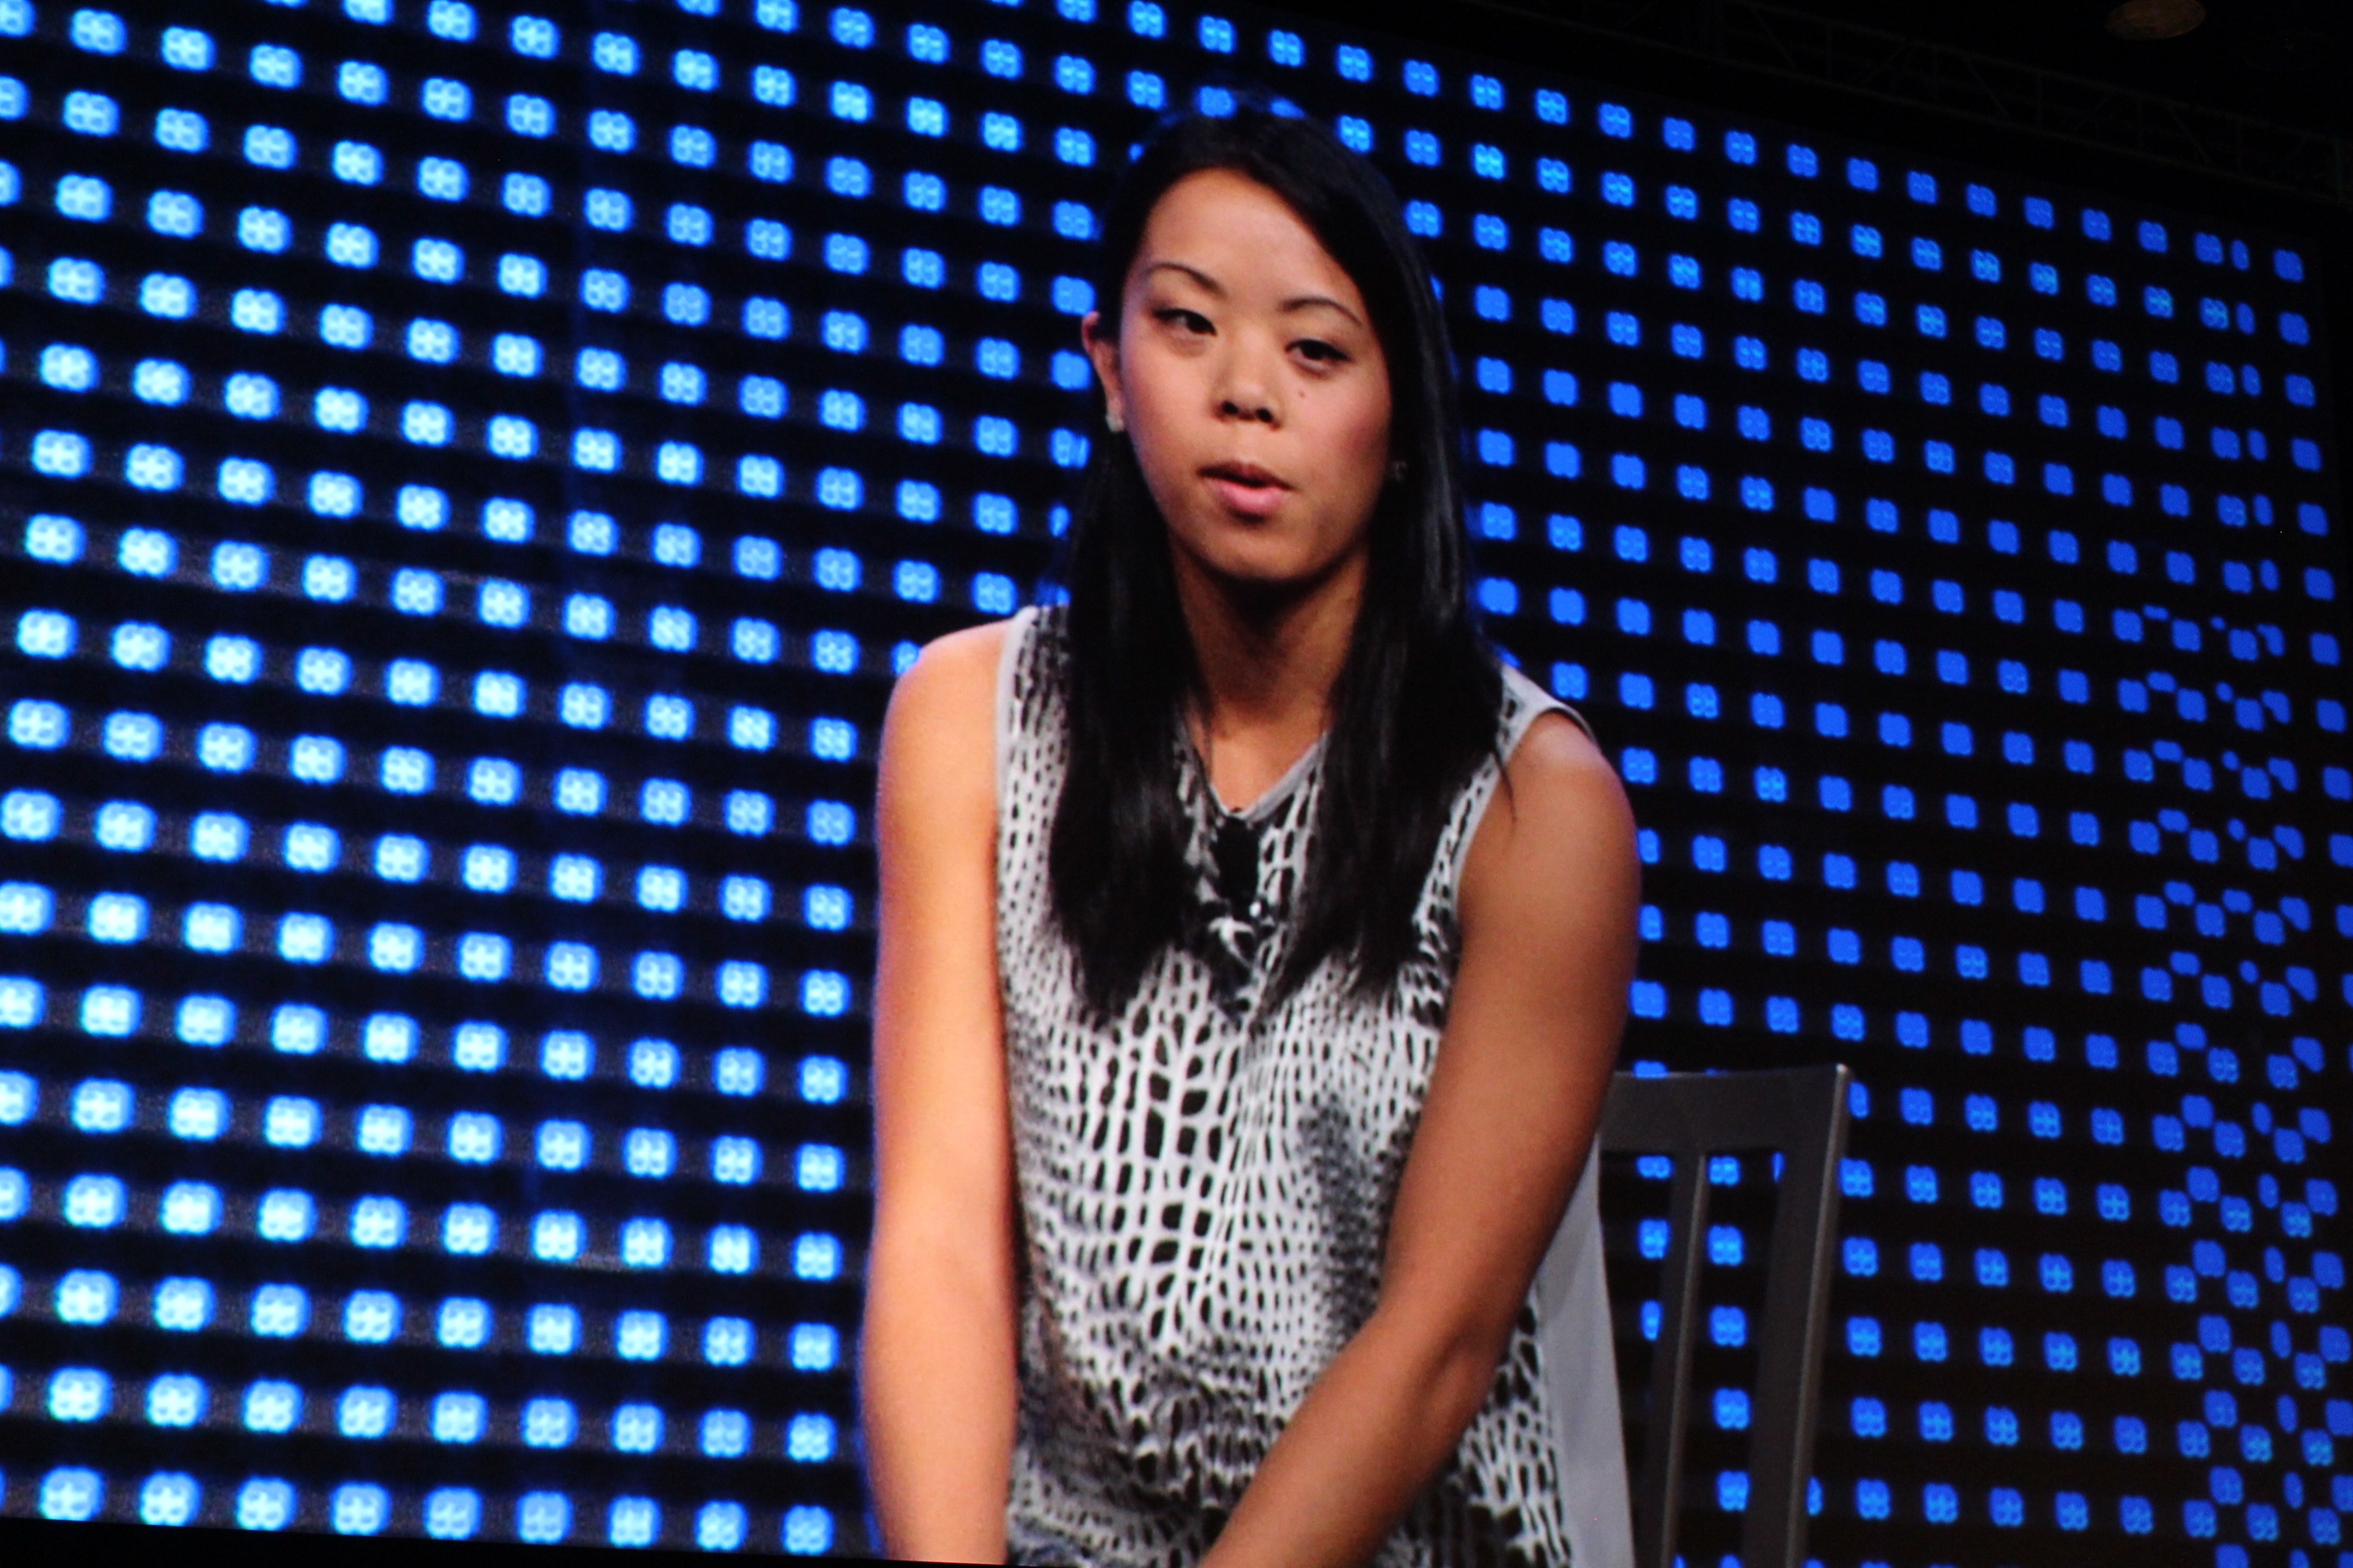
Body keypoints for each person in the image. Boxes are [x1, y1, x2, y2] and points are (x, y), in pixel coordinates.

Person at [862, 105, 1640, 1568]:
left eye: (1315, 350)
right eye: (1186, 325)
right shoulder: (970, 719)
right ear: (1109, 370)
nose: (1244, 394)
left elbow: (1437, 1343)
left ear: (1401, 418)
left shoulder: (1536, 803)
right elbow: (941, 1243)